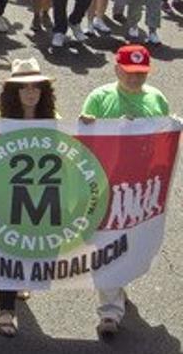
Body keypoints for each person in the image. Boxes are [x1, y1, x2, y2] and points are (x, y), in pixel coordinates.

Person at [80, 45, 171, 338]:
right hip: (106, 186)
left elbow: (164, 144)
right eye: (130, 73)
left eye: (141, 73)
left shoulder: (156, 99)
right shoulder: (99, 98)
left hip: (139, 190)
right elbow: (83, 141)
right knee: (106, 246)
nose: (135, 79)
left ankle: (118, 284)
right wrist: (87, 125)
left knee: (131, 245)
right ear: (116, 69)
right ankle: (109, 313)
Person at [0, 58, 57, 337]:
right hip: (6, 197)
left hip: (39, 198)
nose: (30, 93)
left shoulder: (55, 121)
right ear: (13, 92)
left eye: (36, 87)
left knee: (28, 246)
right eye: (23, 87)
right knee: (6, 250)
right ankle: (6, 310)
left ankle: (22, 279)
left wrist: (87, 126)